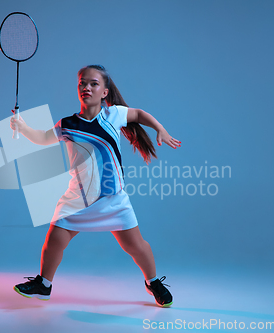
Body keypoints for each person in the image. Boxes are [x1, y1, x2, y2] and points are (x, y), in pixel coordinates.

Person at [9, 64, 181, 307]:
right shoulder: (67, 124)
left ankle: (153, 282)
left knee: (137, 247)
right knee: (54, 241)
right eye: (82, 83)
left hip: (114, 201)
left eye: (93, 83)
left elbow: (140, 114)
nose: (86, 87)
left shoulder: (113, 115)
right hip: (78, 200)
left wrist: (160, 129)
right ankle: (43, 284)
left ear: (105, 92)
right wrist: (23, 127)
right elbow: (43, 138)